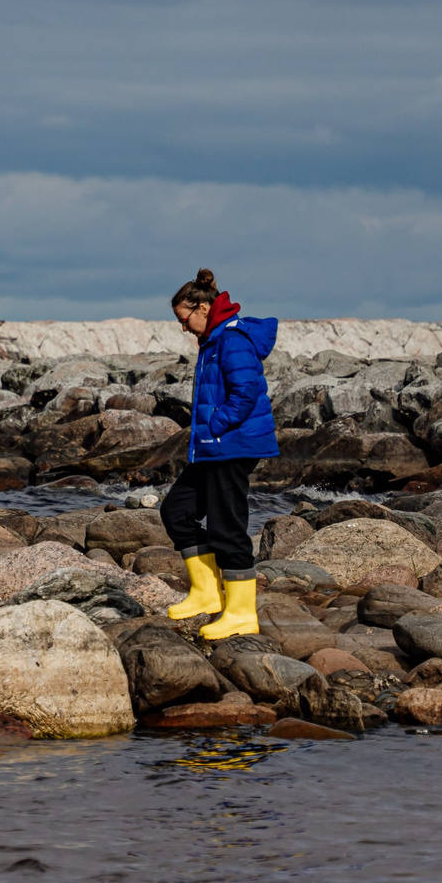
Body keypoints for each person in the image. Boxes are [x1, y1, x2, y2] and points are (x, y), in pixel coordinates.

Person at [160, 268, 277, 639]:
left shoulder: (233, 339)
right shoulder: (214, 340)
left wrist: (215, 425)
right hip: (215, 447)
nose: (184, 328)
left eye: (185, 319)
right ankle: (207, 594)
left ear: (204, 307)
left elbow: (245, 393)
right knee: (176, 511)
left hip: (232, 445)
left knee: (227, 528)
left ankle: (242, 613)